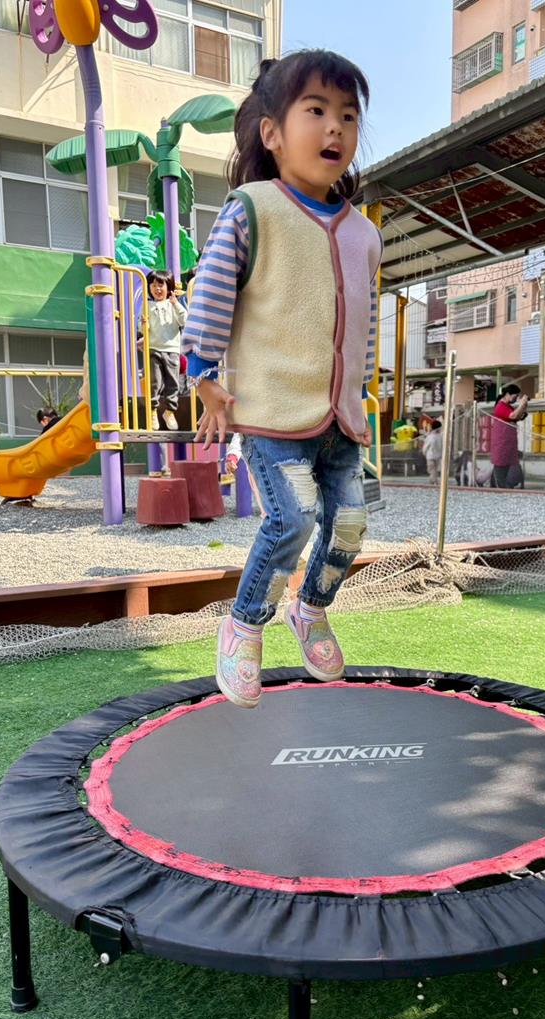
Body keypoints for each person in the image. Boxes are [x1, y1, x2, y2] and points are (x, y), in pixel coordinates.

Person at [181, 50, 381, 709]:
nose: (335, 127)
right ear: (272, 132)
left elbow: (363, 318)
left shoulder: (363, 233)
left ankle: (311, 608)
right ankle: (244, 626)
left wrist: (362, 387)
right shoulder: (253, 209)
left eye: (348, 115)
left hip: (340, 418)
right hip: (273, 413)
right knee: (292, 519)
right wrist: (203, 374)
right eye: (316, 111)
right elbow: (212, 292)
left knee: (350, 523)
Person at [141, 269, 187, 431]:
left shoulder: (173, 304)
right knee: (155, 382)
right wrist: (144, 325)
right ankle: (153, 411)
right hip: (154, 348)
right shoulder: (147, 305)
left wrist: (175, 304)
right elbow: (143, 329)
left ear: (168, 287)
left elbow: (184, 320)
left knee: (173, 383)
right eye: (153, 285)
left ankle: (169, 412)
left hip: (172, 350)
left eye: (161, 285)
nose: (157, 289)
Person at [490, 384, 528, 488]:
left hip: (508, 444)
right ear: (507, 394)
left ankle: (499, 487)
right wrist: (521, 404)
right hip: (502, 444)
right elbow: (513, 416)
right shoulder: (500, 406)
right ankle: (499, 489)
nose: (515, 399)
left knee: (506, 468)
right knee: (501, 469)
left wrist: (523, 406)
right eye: (515, 397)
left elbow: (517, 417)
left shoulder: (507, 406)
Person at [422, 418, 443, 485]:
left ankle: (434, 481)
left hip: (430, 456)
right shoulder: (440, 437)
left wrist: (424, 452)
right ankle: (433, 481)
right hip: (438, 456)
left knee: (432, 470)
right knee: (435, 469)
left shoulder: (430, 436)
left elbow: (426, 446)